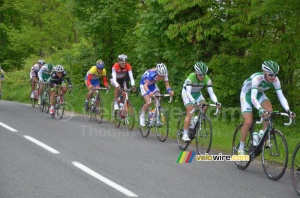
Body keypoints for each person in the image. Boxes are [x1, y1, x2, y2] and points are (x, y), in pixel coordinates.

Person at [238, 60, 296, 155]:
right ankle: (241, 147)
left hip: (259, 94)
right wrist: (260, 109)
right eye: (270, 75)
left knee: (269, 111)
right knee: (248, 121)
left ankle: (261, 133)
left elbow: (281, 96)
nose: (273, 77)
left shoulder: (276, 80)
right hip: (247, 95)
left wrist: (288, 110)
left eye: (275, 74)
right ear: (264, 72)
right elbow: (253, 97)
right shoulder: (257, 78)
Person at [181, 62, 221, 142]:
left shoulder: (207, 79)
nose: (202, 76)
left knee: (205, 106)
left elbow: (212, 94)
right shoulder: (190, 78)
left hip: (197, 94)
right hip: (187, 94)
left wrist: (216, 102)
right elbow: (188, 93)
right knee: (190, 110)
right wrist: (193, 102)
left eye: (204, 74)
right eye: (200, 74)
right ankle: (185, 134)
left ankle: (195, 121)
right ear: (196, 72)